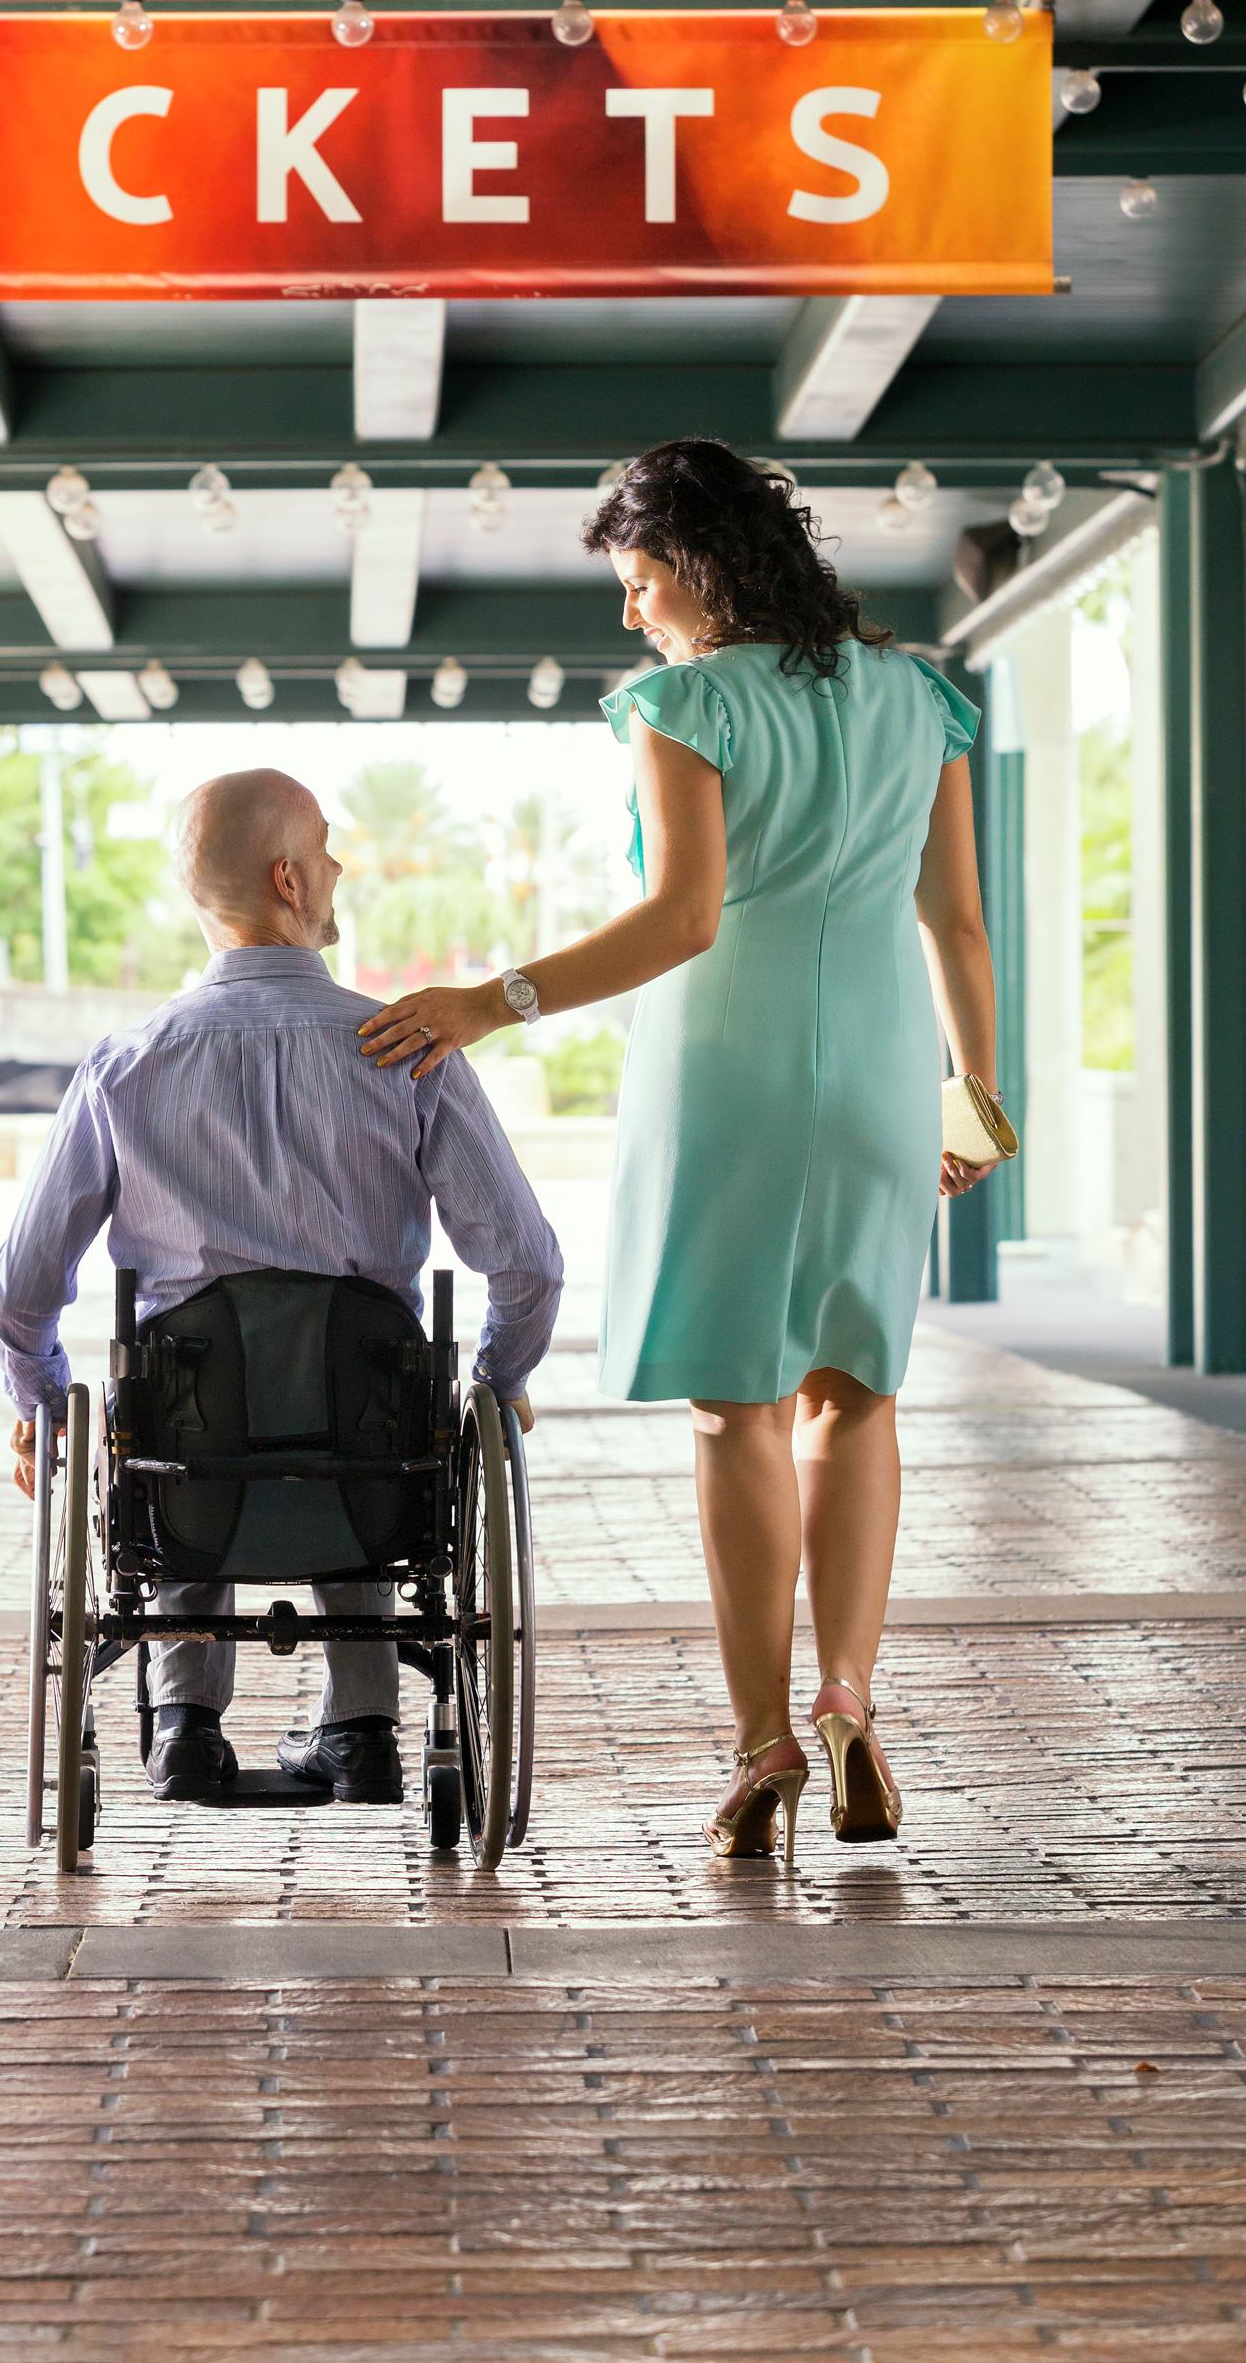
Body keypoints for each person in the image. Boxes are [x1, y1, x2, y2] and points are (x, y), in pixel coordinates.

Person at [359, 438, 999, 1866]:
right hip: (893, 1072)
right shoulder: (918, 695)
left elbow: (685, 919)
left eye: (639, 583)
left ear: (697, 574)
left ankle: (764, 1741)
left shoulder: (682, 703)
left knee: (737, 1409)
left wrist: (490, 1001)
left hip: (733, 1072)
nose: (630, 613)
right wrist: (981, 1099)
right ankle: (849, 1703)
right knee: (858, 1389)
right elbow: (956, 925)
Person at [0, 766, 562, 1808]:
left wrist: (38, 1403)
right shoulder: (408, 1050)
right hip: (371, 1459)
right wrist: (497, 1375)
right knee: (373, 1386)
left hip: (189, 1462)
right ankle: (364, 1727)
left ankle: (185, 1727)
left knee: (174, 1386)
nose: (343, 866)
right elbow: (528, 1264)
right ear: (290, 879)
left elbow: (21, 1289)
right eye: (330, 848)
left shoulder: (126, 1064)